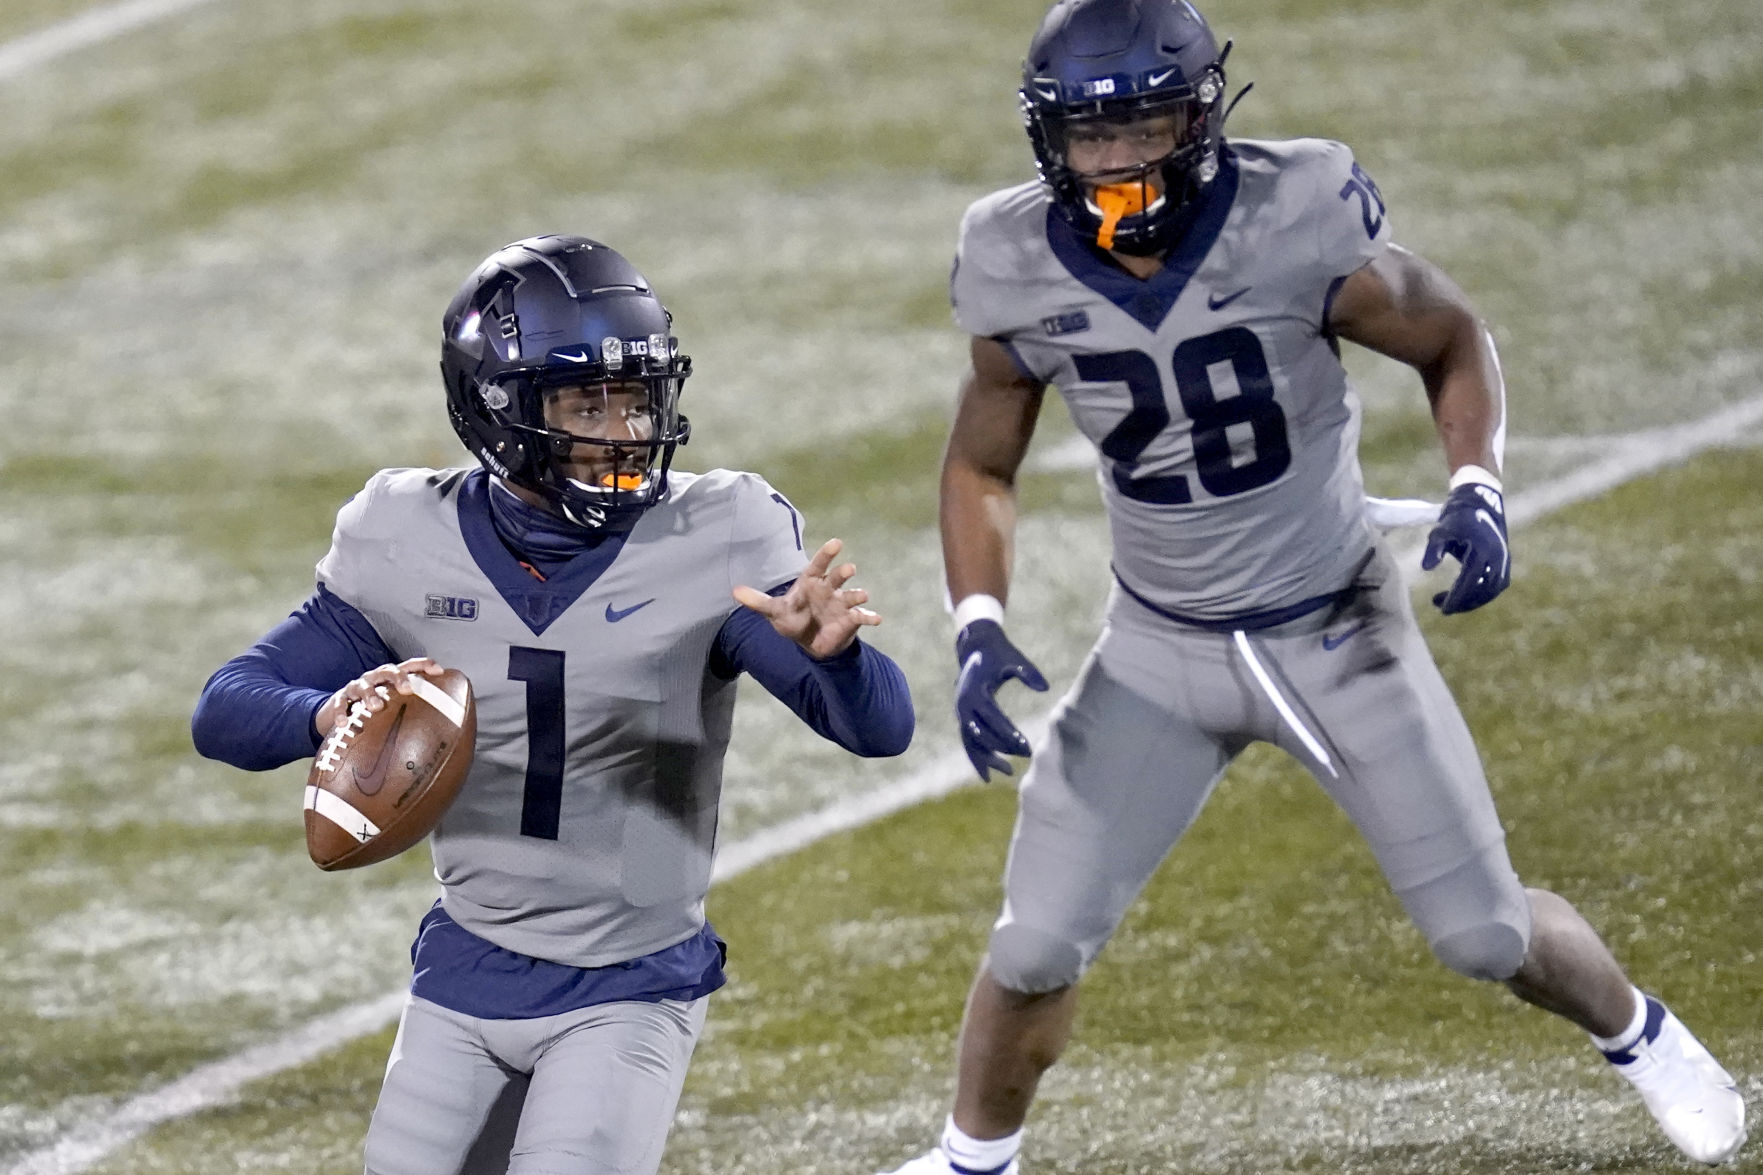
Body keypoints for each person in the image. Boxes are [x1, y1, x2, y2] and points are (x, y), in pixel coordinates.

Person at [881, 1, 1746, 1171]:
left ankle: (1635, 1031)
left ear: (1200, 119)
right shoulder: (1010, 256)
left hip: (1331, 626)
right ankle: (971, 1159)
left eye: (1143, 127)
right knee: (1031, 944)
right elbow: (980, 456)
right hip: (1155, 648)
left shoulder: (1293, 212)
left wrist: (1478, 485)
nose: (1117, 159)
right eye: (1090, 136)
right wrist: (974, 623)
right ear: (1050, 142)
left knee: (1483, 932)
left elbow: (1448, 336)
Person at [191, 234, 914, 1175]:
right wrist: (324, 715)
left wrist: (841, 659)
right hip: (466, 963)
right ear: (497, 412)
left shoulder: (715, 535)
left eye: (637, 397)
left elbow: (881, 729)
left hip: (631, 978)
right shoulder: (403, 536)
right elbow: (224, 708)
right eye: (586, 402)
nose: (623, 430)